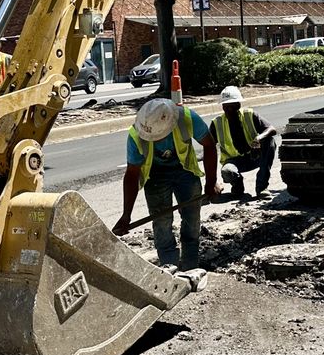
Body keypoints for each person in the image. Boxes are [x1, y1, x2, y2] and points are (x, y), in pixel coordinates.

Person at [114, 98, 220, 270]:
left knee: (192, 221)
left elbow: (209, 145)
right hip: (155, 177)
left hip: (185, 171)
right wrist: (126, 215)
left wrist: (211, 182)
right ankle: (170, 269)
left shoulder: (185, 117)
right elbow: (132, 175)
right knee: (162, 224)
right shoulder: (136, 134)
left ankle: (190, 267)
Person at [210, 86, 278, 199]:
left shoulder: (249, 114)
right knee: (227, 171)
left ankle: (262, 187)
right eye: (226, 107)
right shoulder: (217, 123)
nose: (229, 110)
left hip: (255, 156)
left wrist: (259, 139)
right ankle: (237, 186)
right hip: (234, 161)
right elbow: (209, 150)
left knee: (270, 141)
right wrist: (212, 182)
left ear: (239, 105)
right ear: (222, 107)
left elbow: (272, 129)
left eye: (233, 107)